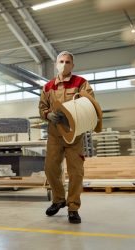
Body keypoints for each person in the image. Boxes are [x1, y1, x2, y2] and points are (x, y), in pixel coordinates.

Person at [38, 51, 95, 224]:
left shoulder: (81, 83)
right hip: (55, 134)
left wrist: (72, 114)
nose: (64, 64)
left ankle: (73, 208)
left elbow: (90, 103)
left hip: (74, 135)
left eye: (67, 62)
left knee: (76, 172)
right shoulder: (47, 87)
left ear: (73, 65)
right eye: (61, 61)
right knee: (50, 169)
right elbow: (42, 108)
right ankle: (58, 199)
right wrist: (48, 115)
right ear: (56, 64)